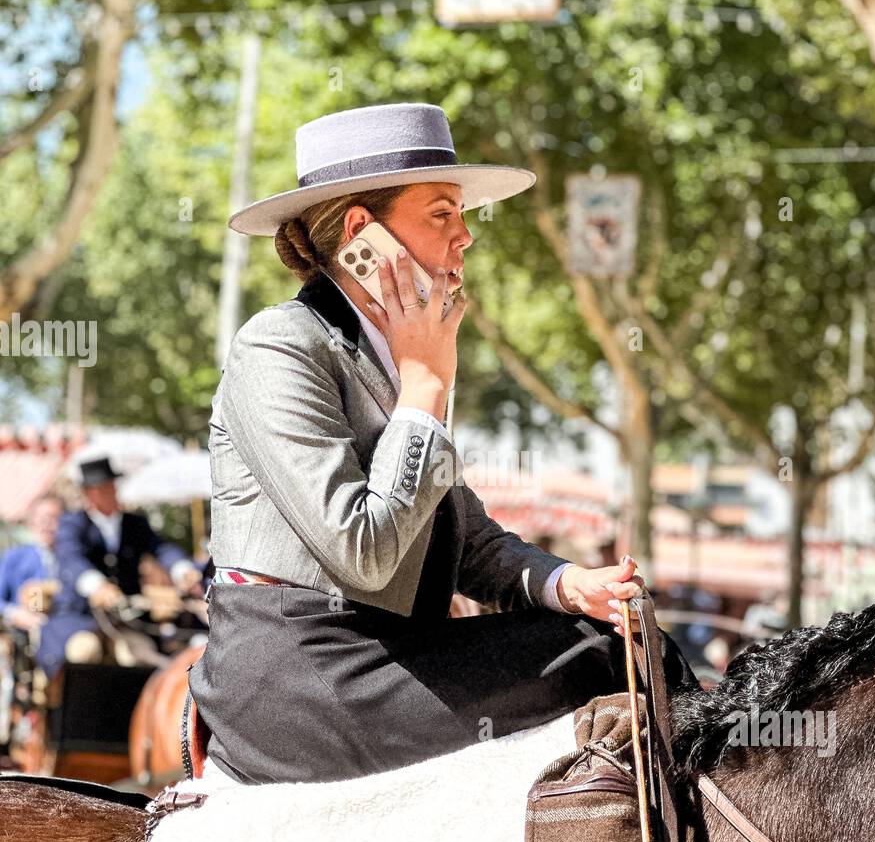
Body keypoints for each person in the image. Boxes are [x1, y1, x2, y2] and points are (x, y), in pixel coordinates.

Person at [189, 102, 696, 786]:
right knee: (604, 658)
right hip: (298, 678)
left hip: (391, 653)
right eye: (440, 214)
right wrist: (425, 386)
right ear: (362, 235)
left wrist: (564, 583)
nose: (465, 237)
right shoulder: (278, 346)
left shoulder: (398, 358)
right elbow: (362, 552)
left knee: (629, 643)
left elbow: (468, 542)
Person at [36, 456, 201, 683]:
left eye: (113, 486)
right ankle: (80, 717)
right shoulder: (72, 524)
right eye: (105, 488)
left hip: (125, 621)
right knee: (84, 651)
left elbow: (161, 547)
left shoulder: (134, 524)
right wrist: (96, 586)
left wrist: (182, 569)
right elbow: (70, 559)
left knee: (139, 658)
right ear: (90, 494)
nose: (113, 492)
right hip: (79, 618)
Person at [0, 492, 62, 634]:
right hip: (26, 636)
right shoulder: (15, 558)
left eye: (53, 518)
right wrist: (15, 614)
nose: (46, 525)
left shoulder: (73, 557)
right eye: (41, 519)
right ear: (31, 523)